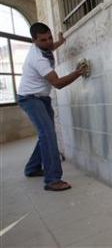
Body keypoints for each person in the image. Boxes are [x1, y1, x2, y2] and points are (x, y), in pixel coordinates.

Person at [17, 22, 86, 191]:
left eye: (50, 38)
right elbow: (58, 84)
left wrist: (60, 42)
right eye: (43, 40)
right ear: (34, 41)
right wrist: (77, 73)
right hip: (29, 98)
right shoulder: (38, 59)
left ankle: (32, 168)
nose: (48, 42)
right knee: (48, 135)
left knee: (45, 134)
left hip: (42, 98)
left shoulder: (44, 48)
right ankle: (52, 180)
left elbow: (51, 47)